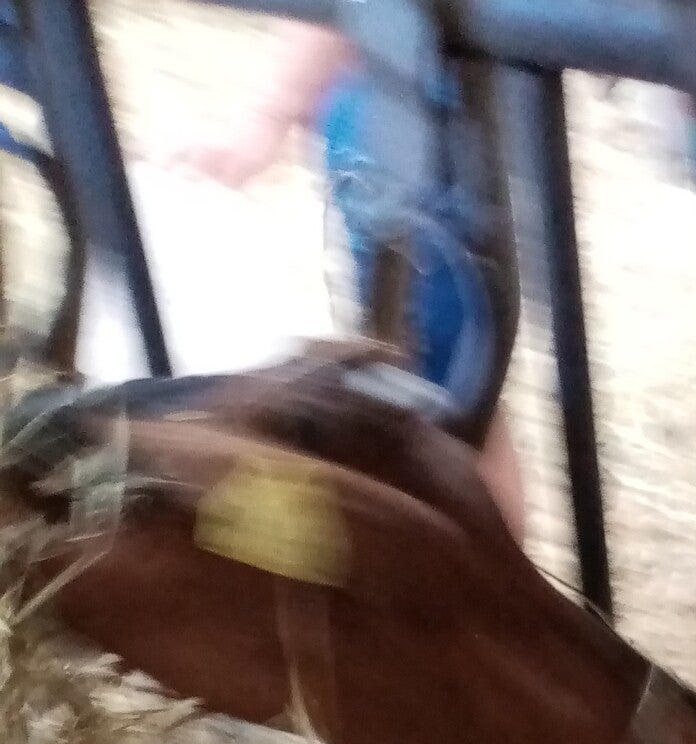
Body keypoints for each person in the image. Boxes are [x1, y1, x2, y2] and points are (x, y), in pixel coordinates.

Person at [174, 21, 526, 540]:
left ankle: (478, 567)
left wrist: (266, 116)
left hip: (399, 102)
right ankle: (487, 564)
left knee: (436, 395)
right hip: (394, 96)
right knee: (448, 392)